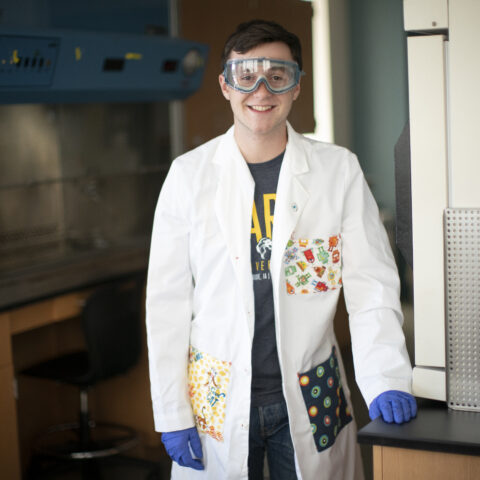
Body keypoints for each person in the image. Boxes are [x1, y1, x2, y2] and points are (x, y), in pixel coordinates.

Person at [146, 19, 416, 480]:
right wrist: (172, 412)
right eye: (245, 75)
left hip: (313, 388)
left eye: (279, 75)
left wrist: (386, 375)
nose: (261, 90)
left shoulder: (337, 171)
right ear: (225, 86)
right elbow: (167, 303)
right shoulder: (189, 176)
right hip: (219, 394)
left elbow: (370, 284)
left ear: (296, 87)